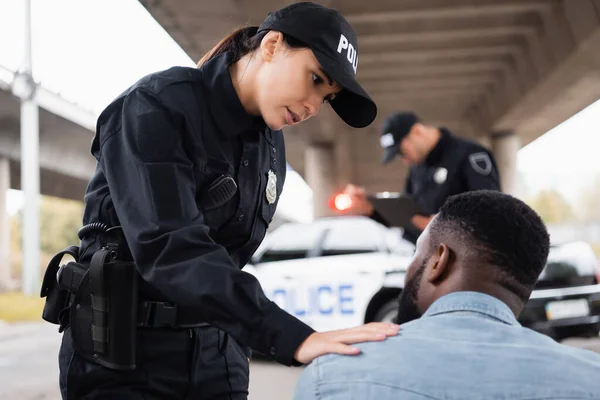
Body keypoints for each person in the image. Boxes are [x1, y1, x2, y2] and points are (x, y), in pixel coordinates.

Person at [47, 2, 401, 399]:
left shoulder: (272, 148)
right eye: (315, 79)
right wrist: (292, 337)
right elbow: (169, 247)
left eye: (327, 97)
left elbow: (228, 261)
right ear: (272, 45)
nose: (313, 107)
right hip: (123, 359)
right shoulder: (156, 106)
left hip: (220, 362)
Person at [294, 190, 600, 400]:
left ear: (439, 261)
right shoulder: (591, 379)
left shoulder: (330, 377)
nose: (409, 268)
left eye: (417, 253)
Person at [343, 111, 501, 242]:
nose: (404, 160)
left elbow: (491, 209)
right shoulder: (417, 169)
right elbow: (410, 219)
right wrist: (372, 210)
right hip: (432, 260)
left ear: (417, 131)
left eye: (402, 152)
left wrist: (445, 225)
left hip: (468, 262)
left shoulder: (470, 154)